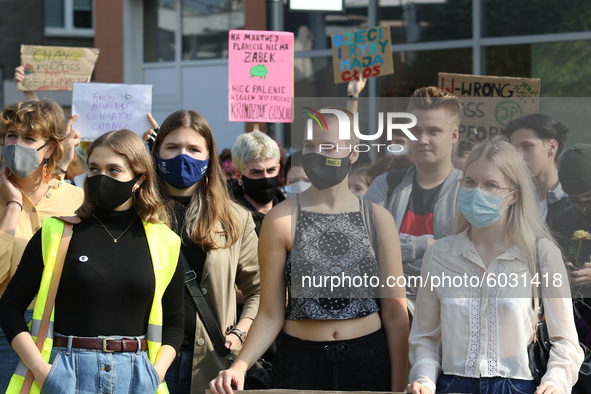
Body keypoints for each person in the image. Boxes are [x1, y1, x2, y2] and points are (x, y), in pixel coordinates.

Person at [210, 107, 409, 393]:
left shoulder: (378, 219)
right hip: (301, 362)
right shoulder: (280, 220)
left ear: (353, 153)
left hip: (367, 360)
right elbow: (270, 312)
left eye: (328, 146)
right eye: (309, 146)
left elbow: (395, 313)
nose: (317, 154)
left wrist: (399, 385)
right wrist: (240, 365)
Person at [0, 129, 184, 393]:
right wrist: (43, 372)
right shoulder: (55, 232)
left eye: (114, 170)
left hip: (138, 375)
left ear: (139, 179)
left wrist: (154, 374)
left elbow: (175, 322)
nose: (101, 178)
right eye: (94, 169)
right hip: (65, 372)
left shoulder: (165, 241)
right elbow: (9, 309)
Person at [407, 136, 583, 394]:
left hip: (518, 386)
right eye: (469, 182)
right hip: (452, 385)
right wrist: (424, 378)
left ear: (514, 195)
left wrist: (555, 382)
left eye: (491, 185)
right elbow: (425, 337)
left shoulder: (541, 253)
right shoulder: (440, 255)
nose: (477, 191)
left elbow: (565, 341)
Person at [149, 110, 260, 394]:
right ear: (156, 152)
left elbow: (259, 290)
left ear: (208, 157)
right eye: (172, 147)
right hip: (147, 360)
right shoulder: (136, 212)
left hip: (210, 363)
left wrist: (240, 333)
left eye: (193, 149)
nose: (182, 156)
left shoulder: (235, 218)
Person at [0, 99, 85, 391]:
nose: (16, 144)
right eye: (11, 136)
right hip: (6, 330)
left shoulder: (76, 199)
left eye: (28, 138)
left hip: (62, 328)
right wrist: (12, 205)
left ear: (49, 148)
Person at [364, 86, 463, 310]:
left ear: (454, 136)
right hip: (390, 313)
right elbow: (363, 248)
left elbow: (466, 259)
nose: (422, 139)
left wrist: (394, 252)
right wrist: (428, 245)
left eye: (433, 131)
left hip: (449, 316)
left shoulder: (470, 191)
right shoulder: (385, 185)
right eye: (415, 131)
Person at [502, 113, 571, 230]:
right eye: (513, 149)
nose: (518, 156)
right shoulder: (507, 200)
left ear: (552, 147)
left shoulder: (574, 201)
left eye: (527, 146)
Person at [554, 143, 591, 348]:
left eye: (589, 197)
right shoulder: (565, 220)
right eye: (576, 199)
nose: (584, 206)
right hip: (577, 327)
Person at [230, 130, 285, 236]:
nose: (266, 178)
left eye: (271, 170)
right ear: (238, 175)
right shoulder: (229, 219)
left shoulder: (291, 213)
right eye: (256, 172)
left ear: (278, 169)